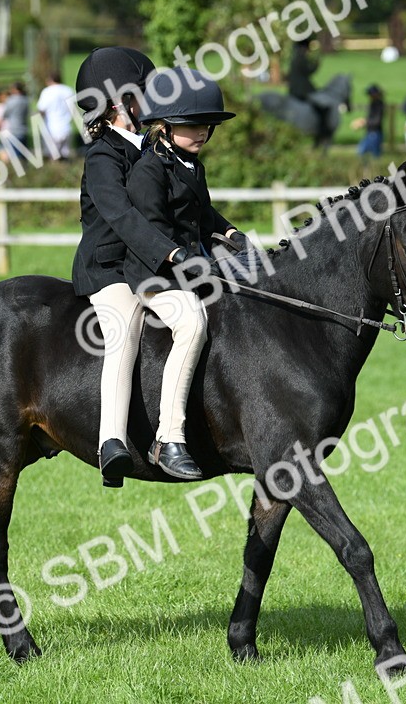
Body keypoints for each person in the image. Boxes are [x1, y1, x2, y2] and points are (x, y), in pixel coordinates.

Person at [125, 67, 245, 482]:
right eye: (192, 125)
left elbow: (202, 213)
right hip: (156, 273)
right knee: (192, 324)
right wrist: (187, 261)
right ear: (164, 124)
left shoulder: (191, 165)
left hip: (194, 264)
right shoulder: (148, 170)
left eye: (206, 125)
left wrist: (230, 233)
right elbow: (152, 228)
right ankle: (169, 437)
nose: (202, 133)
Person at [70, 47, 176, 487]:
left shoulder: (152, 149)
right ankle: (111, 441)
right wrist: (168, 253)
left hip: (145, 266)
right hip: (109, 270)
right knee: (126, 329)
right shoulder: (102, 157)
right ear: (120, 102)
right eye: (145, 92)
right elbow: (122, 217)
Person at [36, 71, 76, 161]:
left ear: (50, 80)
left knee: (53, 157)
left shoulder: (47, 91)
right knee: (65, 157)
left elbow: (41, 109)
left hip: (51, 128)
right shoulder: (68, 90)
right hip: (66, 127)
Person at [355, 83, 385, 160]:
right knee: (364, 153)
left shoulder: (379, 104)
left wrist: (364, 122)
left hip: (374, 133)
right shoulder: (373, 104)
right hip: (370, 132)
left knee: (367, 153)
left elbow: (377, 120)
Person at [286, 38, 318, 102]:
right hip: (301, 89)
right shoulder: (301, 58)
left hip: (293, 87)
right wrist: (316, 65)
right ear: (304, 48)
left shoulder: (295, 56)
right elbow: (307, 71)